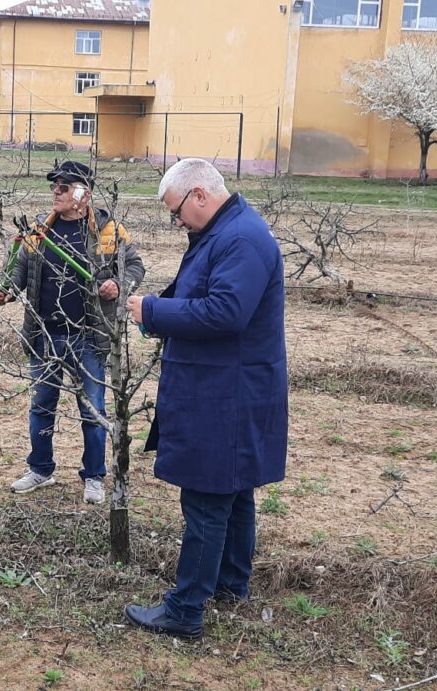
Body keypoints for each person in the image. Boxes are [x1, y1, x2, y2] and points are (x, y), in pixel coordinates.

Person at [122, 158, 288, 639]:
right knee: (234, 493)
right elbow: (202, 291)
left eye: (177, 212)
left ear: (199, 195)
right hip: (229, 388)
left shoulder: (240, 238)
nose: (177, 223)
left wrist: (153, 309)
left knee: (207, 499)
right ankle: (229, 585)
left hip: (226, 395)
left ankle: (186, 608)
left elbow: (226, 312)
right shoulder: (225, 232)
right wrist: (159, 309)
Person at [0, 161, 145, 504]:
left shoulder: (109, 231)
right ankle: (41, 469)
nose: (56, 193)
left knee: (93, 409)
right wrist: (7, 291)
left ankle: (94, 476)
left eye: (63, 187)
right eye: (54, 187)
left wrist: (117, 284)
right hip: (44, 334)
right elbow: (20, 268)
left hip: (89, 336)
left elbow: (135, 266)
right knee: (42, 405)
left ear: (83, 193)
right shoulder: (39, 232)